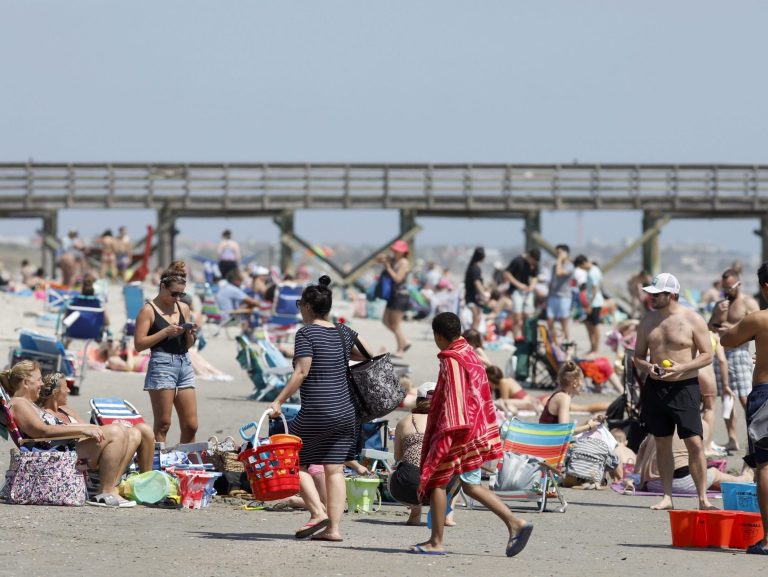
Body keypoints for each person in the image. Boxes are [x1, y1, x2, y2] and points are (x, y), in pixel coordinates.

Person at [413, 312, 532, 556]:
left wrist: (446, 436)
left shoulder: (452, 359)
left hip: (459, 431)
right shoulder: (469, 353)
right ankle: (515, 523)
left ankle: (436, 541)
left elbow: (456, 399)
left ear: (438, 336)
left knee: (436, 480)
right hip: (478, 428)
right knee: (471, 486)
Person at [269, 275, 374, 542]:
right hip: (345, 412)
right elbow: (369, 353)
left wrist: (279, 401)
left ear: (306, 306)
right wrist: (341, 353)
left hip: (318, 409)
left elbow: (301, 372)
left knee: (290, 458)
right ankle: (334, 529)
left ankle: (317, 512)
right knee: (334, 469)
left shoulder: (305, 333)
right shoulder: (342, 331)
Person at [0, 361, 140, 507]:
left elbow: (49, 428)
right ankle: (105, 491)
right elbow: (42, 431)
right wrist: (82, 430)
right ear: (26, 383)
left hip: (57, 452)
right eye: (39, 379)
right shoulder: (19, 403)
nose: (41, 384)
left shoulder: (28, 404)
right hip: (51, 456)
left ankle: (109, 488)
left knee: (121, 430)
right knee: (115, 432)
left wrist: (88, 426)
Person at [633, 272, 715, 511]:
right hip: (656, 387)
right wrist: (649, 367)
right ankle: (667, 496)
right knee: (661, 442)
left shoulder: (692, 319)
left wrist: (682, 368)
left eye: (657, 294)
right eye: (651, 294)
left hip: (684, 387)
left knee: (694, 442)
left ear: (671, 295)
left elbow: (707, 355)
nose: (652, 298)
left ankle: (703, 498)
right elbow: (637, 356)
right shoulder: (647, 322)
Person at [720, 261, 768, 554]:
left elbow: (726, 340)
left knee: (765, 465)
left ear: (766, 287)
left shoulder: (759, 320)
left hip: (765, 394)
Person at [37, 371, 155, 473]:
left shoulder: (66, 409)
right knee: (122, 433)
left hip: (89, 444)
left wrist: (117, 427)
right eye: (66, 387)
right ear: (55, 392)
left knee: (143, 430)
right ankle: (112, 484)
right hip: (73, 450)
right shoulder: (45, 414)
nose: (69, 390)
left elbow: (89, 426)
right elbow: (50, 432)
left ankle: (145, 479)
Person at [133, 261, 198, 444]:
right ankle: (158, 465)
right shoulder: (148, 311)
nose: (177, 298)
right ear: (162, 287)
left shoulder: (183, 308)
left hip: (184, 363)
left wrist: (191, 334)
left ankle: (187, 464)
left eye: (181, 294)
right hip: (161, 365)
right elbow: (139, 345)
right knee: (163, 424)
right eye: (174, 293)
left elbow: (188, 345)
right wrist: (165, 332)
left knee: (191, 425)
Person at [389, 382, 458, 526]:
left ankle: (414, 514)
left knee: (404, 469)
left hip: (407, 489)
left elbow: (398, 456)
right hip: (437, 488)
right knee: (456, 472)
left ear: (419, 400)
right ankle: (446, 514)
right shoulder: (448, 422)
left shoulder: (404, 422)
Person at [628, 424, 753, 495]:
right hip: (680, 484)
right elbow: (699, 456)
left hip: (652, 484)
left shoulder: (660, 423)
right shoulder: (697, 424)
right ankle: (743, 479)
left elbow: (642, 447)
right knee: (714, 473)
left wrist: (637, 473)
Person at [709, 268, 760, 442]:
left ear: (738, 284)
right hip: (722, 353)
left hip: (740, 353)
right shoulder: (720, 304)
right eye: (724, 288)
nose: (727, 291)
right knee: (726, 397)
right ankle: (732, 439)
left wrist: (732, 330)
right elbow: (709, 327)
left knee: (745, 398)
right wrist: (717, 316)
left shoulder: (748, 303)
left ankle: (756, 435)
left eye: (730, 287)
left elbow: (758, 328)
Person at [539, 361, 605, 433]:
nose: (583, 385)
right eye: (582, 380)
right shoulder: (564, 398)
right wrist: (589, 426)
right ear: (575, 383)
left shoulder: (559, 395)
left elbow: (565, 429)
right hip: (550, 442)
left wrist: (588, 422)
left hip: (547, 439)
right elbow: (565, 431)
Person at [378, 240, 412, 357]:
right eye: (395, 250)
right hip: (393, 295)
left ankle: (401, 349)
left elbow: (398, 279)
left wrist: (388, 268)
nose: (395, 252)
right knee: (385, 321)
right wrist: (383, 259)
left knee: (395, 325)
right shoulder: (393, 260)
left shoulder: (404, 262)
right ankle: (405, 341)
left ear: (403, 252)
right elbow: (377, 260)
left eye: (398, 251)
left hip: (401, 296)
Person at [504, 249, 540, 339]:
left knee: (528, 316)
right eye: (533, 261)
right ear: (529, 256)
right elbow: (507, 273)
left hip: (528, 291)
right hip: (516, 291)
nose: (533, 263)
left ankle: (526, 337)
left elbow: (535, 277)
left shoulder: (535, 264)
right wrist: (518, 284)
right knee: (517, 317)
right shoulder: (517, 260)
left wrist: (532, 286)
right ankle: (516, 338)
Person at [573, 255, 604, 356]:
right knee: (588, 324)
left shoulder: (592, 273)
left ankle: (596, 349)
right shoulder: (594, 268)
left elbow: (595, 289)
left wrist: (590, 305)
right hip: (593, 301)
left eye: (580, 267)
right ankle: (592, 347)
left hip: (595, 303)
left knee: (595, 326)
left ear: (583, 264)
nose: (581, 269)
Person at [546, 244, 574, 344]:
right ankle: (554, 341)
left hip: (564, 297)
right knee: (550, 320)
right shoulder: (554, 266)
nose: (558, 255)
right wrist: (547, 296)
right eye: (557, 253)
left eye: (560, 253)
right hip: (553, 296)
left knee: (563, 321)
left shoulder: (569, 266)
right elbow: (552, 281)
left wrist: (559, 260)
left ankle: (566, 341)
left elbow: (559, 273)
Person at [464, 247, 490, 332]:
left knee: (476, 318)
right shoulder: (476, 268)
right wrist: (484, 294)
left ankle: (472, 337)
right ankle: (472, 338)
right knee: (476, 317)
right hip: (472, 298)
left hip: (470, 297)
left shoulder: (471, 267)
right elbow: (477, 282)